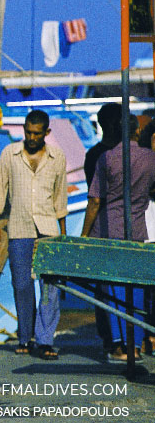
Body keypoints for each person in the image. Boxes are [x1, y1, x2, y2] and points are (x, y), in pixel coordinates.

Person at [0, 109, 67, 360]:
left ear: (46, 133)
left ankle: (45, 340)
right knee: (21, 285)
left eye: (37, 134)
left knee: (50, 287)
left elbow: (60, 198)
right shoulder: (9, 154)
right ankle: (26, 336)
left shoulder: (57, 157)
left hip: (48, 230)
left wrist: (63, 236)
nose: (32, 138)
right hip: (19, 228)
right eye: (28, 132)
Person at [80, 112, 155, 359]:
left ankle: (119, 344)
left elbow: (95, 201)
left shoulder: (107, 157)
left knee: (112, 290)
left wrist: (84, 235)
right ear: (137, 132)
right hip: (137, 230)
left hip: (109, 229)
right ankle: (136, 343)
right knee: (136, 288)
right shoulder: (150, 158)